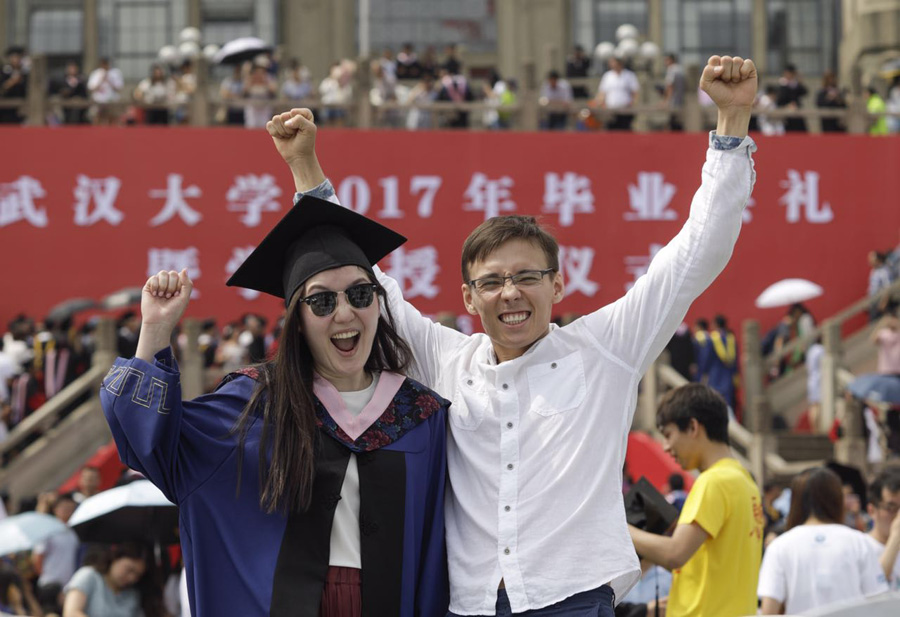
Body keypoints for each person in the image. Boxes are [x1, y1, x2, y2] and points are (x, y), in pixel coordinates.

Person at [271, 54, 758, 615]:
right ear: (468, 297)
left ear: (557, 285)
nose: (511, 293)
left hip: (571, 597)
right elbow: (368, 279)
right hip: (471, 601)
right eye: (493, 281)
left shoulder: (604, 349)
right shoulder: (447, 359)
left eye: (528, 277)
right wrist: (305, 168)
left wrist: (730, 124)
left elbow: (696, 254)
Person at [99, 178, 450, 615]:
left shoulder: (420, 415)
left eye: (361, 294)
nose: (345, 312)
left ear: (379, 304)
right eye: (321, 302)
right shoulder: (255, 405)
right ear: (298, 320)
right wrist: (155, 329)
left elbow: (437, 548)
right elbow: (152, 447)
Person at [629, 385, 763, 617]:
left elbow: (675, 554)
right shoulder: (745, 481)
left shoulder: (713, 482)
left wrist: (622, 528)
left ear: (692, 427)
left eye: (668, 435)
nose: (667, 447)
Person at [757, 467, 888, 614]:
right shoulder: (859, 542)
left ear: (796, 501)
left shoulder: (779, 546)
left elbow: (768, 611)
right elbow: (879, 602)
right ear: (837, 499)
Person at [63, 542, 162, 617]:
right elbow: (71, 612)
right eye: (129, 569)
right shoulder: (89, 576)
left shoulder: (133, 595)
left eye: (137, 576)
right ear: (116, 557)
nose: (131, 578)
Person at [865, 466, 900, 590]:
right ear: (871, 510)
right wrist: (895, 537)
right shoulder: (861, 547)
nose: (898, 516)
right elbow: (874, 586)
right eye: (891, 508)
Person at [594, 56, 639, 130]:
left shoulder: (629, 75)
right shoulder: (607, 76)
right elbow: (602, 92)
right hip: (611, 109)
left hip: (625, 109)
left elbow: (635, 91)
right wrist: (600, 102)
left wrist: (633, 103)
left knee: (624, 130)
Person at [87, 57, 123, 125]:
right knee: (97, 117)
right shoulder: (96, 73)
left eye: (106, 64)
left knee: (112, 117)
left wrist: (109, 81)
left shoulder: (115, 73)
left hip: (112, 100)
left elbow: (119, 88)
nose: (105, 66)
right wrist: (101, 80)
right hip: (98, 100)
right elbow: (91, 88)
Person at [776, 63, 808, 132]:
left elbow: (805, 92)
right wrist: (787, 105)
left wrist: (800, 82)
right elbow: (779, 101)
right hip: (786, 112)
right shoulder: (782, 84)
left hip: (797, 111)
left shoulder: (795, 84)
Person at [663, 53, 686, 131]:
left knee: (673, 123)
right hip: (681, 100)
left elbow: (670, 86)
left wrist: (666, 101)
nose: (665, 62)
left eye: (666, 60)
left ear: (671, 60)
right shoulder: (680, 69)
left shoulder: (671, 70)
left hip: (674, 100)